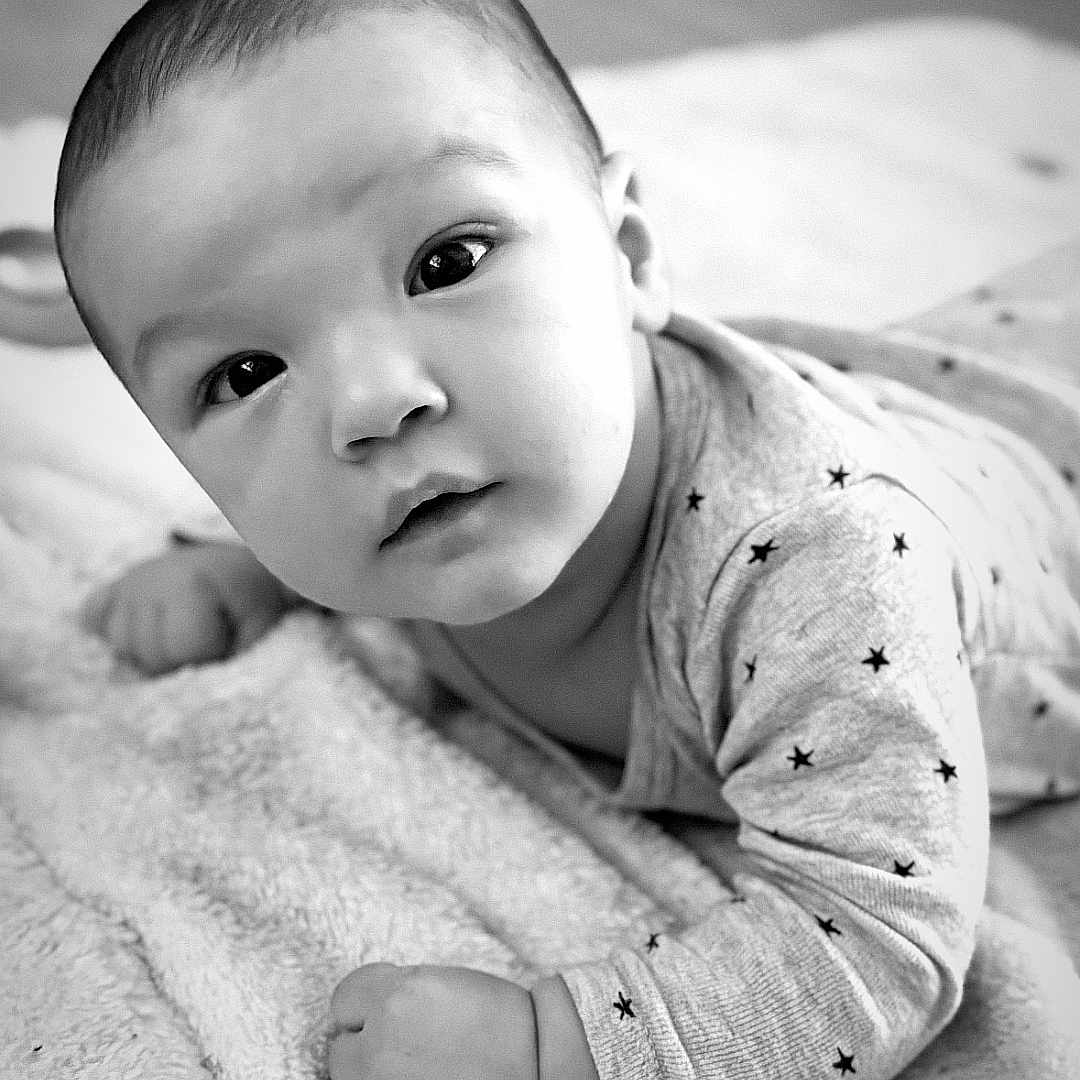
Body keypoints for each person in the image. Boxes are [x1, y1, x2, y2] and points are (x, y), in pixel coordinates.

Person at [54, 0, 1080, 1077]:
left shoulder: (817, 562)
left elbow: (879, 943)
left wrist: (557, 1046)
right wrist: (232, 555)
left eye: (446, 263)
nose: (370, 404)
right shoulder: (436, 486)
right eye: (247, 375)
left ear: (628, 251)